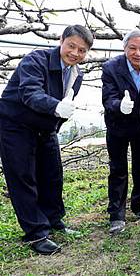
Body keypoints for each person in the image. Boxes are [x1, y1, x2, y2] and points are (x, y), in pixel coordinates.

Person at [0, 25, 93, 255]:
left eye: (81, 50)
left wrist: (56, 121)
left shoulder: (76, 74)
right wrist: (56, 107)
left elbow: (66, 107)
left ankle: (53, 220)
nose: (75, 53)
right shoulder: (36, 60)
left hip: (44, 127)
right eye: (71, 46)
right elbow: (30, 93)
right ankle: (36, 233)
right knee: (23, 177)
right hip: (15, 124)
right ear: (61, 41)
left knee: (52, 175)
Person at [102, 29, 140, 235]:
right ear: (125, 48)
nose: (138, 53)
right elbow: (108, 98)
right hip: (117, 126)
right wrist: (119, 105)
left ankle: (139, 205)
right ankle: (116, 215)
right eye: (133, 48)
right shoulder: (111, 68)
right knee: (118, 169)